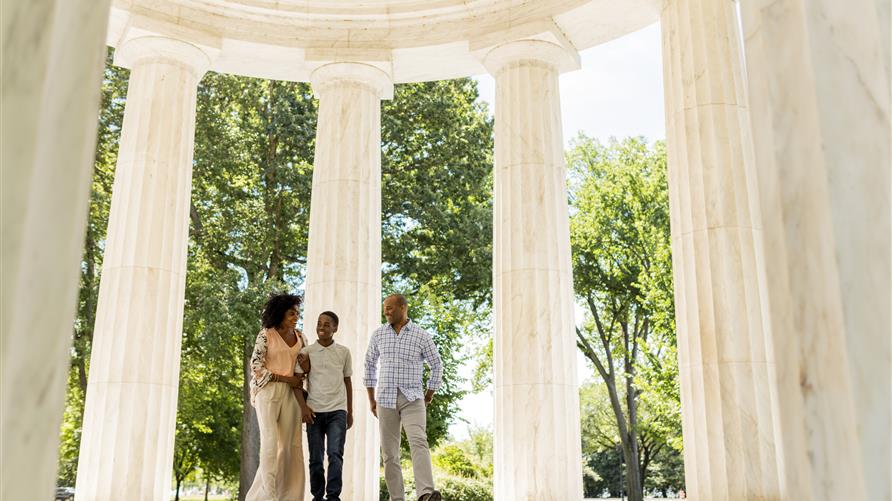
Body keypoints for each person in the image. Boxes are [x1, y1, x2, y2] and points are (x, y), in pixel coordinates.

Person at [364, 294, 443, 501]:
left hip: (413, 398)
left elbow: (437, 365)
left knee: (419, 441)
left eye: (390, 308)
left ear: (403, 307)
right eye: (384, 308)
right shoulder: (379, 334)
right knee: (390, 453)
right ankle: (396, 498)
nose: (386, 311)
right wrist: (371, 399)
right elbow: (369, 365)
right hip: (385, 399)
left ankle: (425, 494)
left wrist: (429, 393)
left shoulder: (421, 335)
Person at [246, 293, 310, 501]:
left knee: (292, 446)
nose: (296, 317)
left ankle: (291, 496)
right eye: (292, 313)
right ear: (281, 313)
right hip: (268, 392)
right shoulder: (266, 334)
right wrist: (284, 378)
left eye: (297, 313)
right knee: (271, 444)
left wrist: (305, 372)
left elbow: (306, 366)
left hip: (292, 395)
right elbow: (256, 366)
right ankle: (268, 496)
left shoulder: (301, 337)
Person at [297, 311, 353, 501]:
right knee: (315, 458)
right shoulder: (306, 353)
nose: (322, 327)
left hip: (338, 410)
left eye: (327, 324)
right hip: (314, 411)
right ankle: (317, 496)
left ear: (335, 328)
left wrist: (349, 411)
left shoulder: (344, 352)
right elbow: (297, 382)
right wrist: (303, 408)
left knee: (335, 454)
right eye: (319, 323)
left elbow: (347, 382)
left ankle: (333, 496)